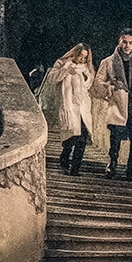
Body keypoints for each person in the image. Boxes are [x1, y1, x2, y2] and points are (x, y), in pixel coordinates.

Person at [93, 29, 132, 179]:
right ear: (119, 41)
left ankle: (131, 170)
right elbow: (97, 84)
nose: (127, 45)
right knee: (115, 137)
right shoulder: (107, 62)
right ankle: (112, 165)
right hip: (118, 105)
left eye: (130, 43)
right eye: (124, 42)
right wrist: (110, 87)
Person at [50, 43, 94, 173]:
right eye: (80, 55)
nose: (82, 59)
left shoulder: (86, 68)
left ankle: (75, 167)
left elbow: (89, 83)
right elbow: (52, 79)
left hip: (83, 107)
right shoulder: (62, 63)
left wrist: (87, 77)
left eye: (85, 57)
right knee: (71, 137)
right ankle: (64, 159)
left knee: (82, 137)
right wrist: (65, 71)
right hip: (69, 106)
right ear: (74, 53)